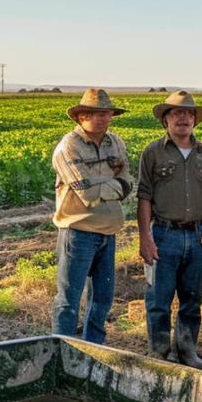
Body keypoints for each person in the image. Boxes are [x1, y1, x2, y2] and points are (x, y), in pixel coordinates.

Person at [137, 91, 202, 370]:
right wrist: (145, 237)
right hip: (164, 235)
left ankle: (188, 351)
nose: (184, 118)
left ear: (194, 121)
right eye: (177, 113)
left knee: (192, 300)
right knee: (158, 300)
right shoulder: (153, 152)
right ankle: (160, 355)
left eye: (188, 114)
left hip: (197, 236)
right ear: (166, 120)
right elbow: (144, 197)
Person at [50, 88, 133, 344]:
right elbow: (86, 193)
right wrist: (115, 186)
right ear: (81, 116)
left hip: (108, 230)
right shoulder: (67, 147)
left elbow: (128, 181)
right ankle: (62, 351)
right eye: (95, 114)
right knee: (68, 299)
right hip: (78, 230)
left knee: (102, 299)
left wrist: (112, 187)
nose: (102, 118)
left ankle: (94, 348)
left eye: (106, 113)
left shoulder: (115, 142)